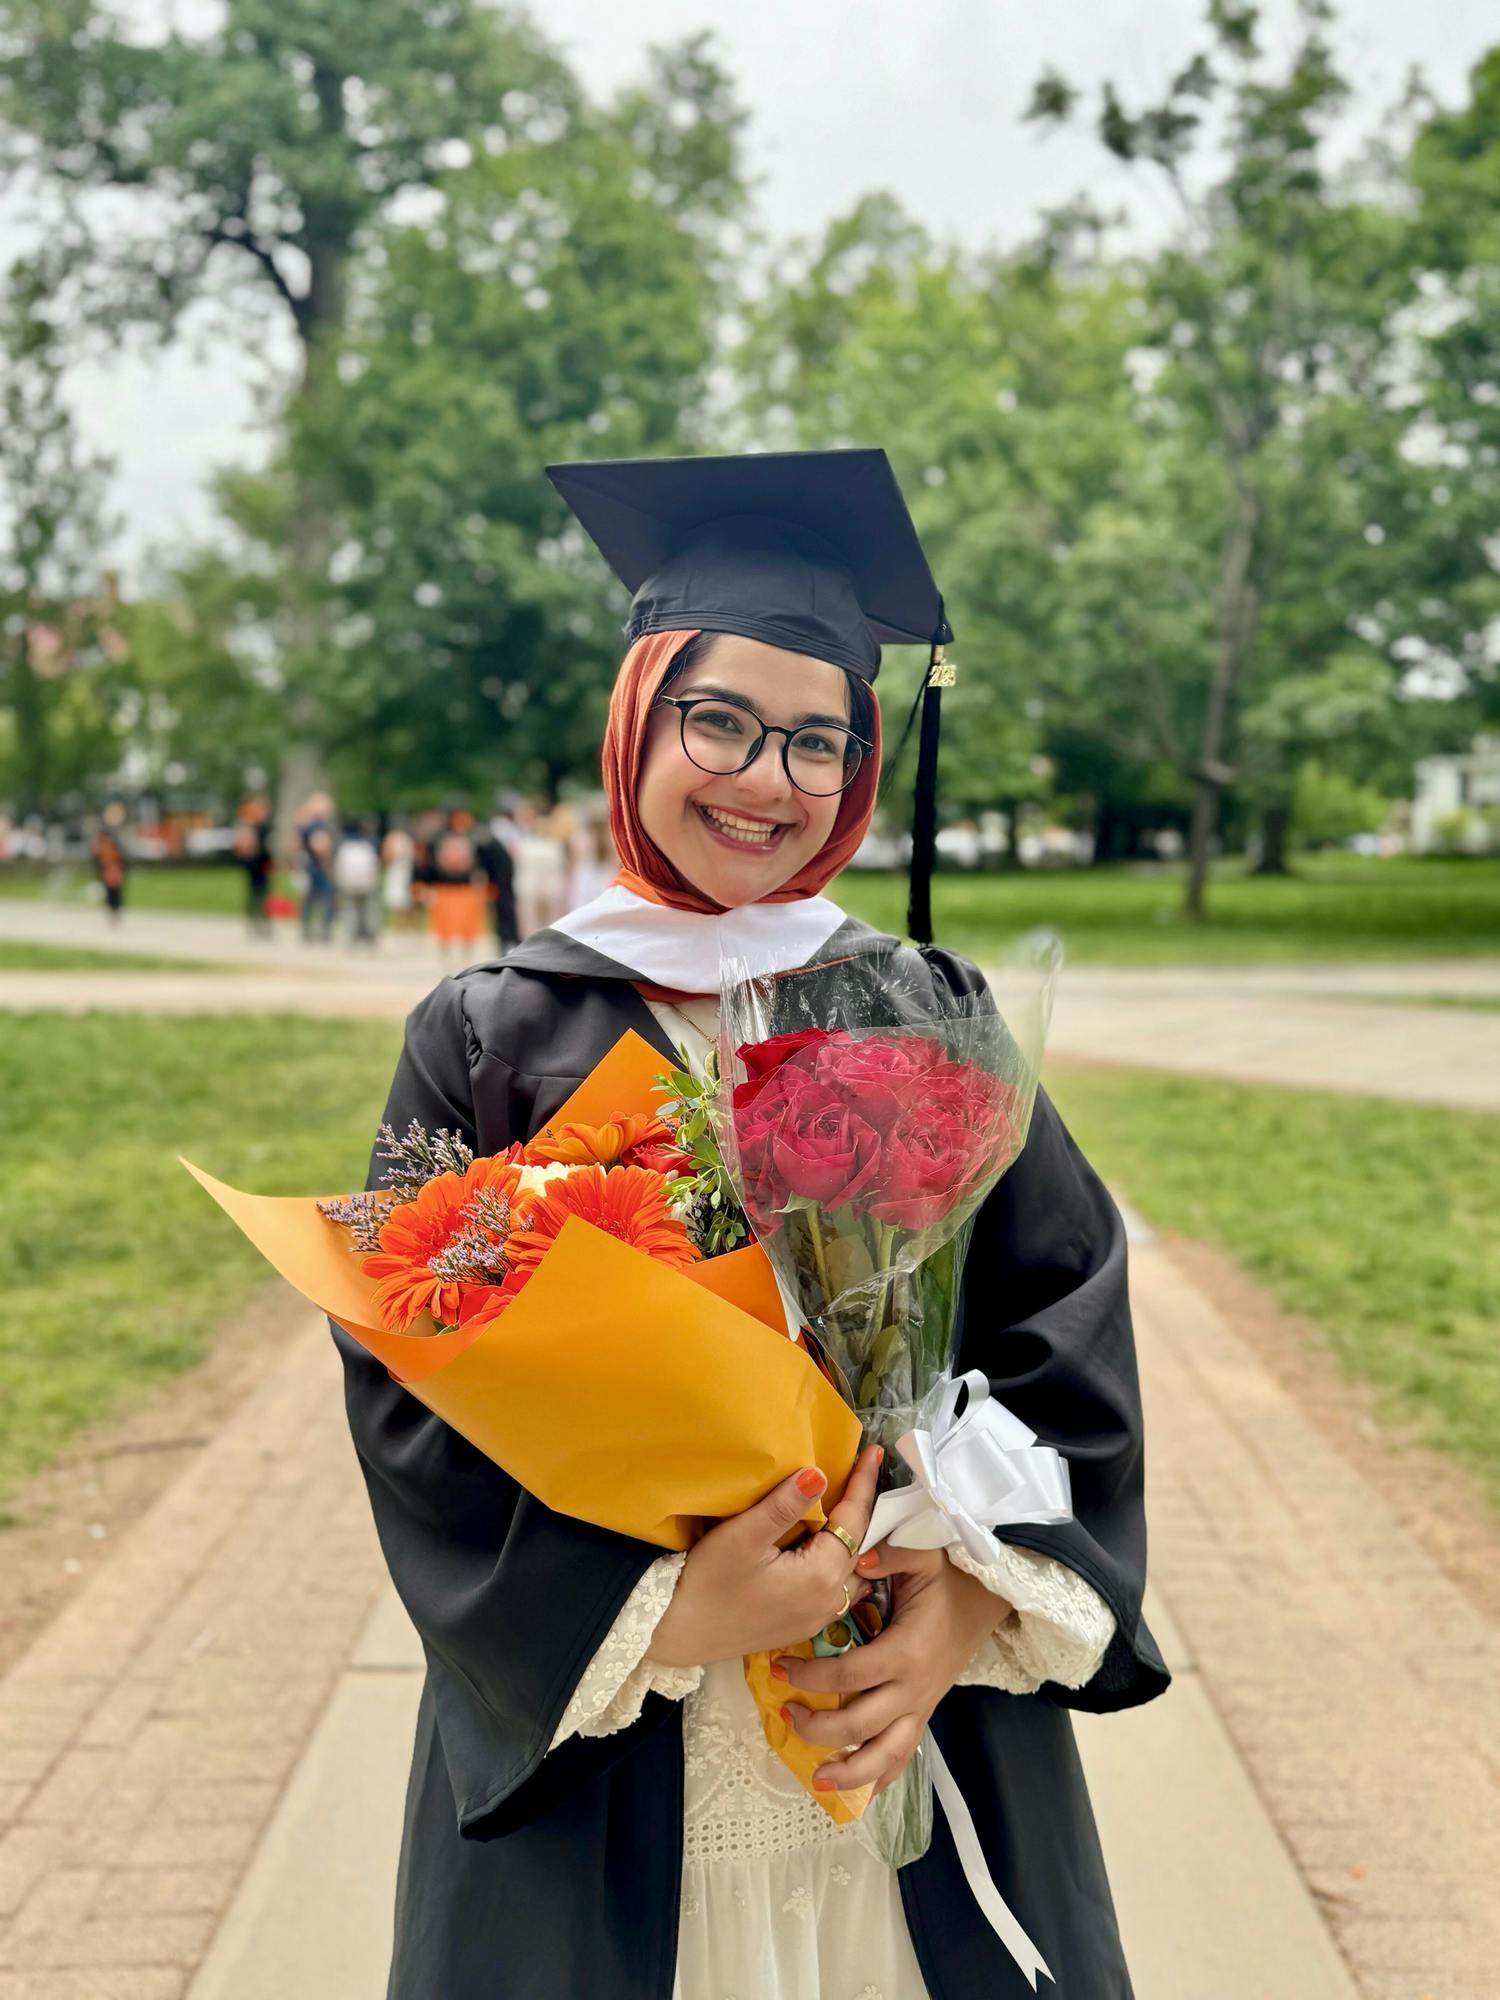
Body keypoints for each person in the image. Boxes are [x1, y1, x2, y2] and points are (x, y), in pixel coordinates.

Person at [333, 450, 1166, 1999]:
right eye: (718, 719)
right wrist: (663, 1611)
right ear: (640, 714)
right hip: (622, 1743)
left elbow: (1070, 1332)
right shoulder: (493, 1031)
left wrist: (969, 1597)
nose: (766, 779)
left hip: (900, 1714)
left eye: (817, 741)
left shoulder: (926, 1009)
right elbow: (409, 1394)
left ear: (861, 768)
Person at [420, 809, 490, 966]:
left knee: (468, 925)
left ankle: (467, 957)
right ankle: (446, 958)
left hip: (467, 887)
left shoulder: (474, 836)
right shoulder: (438, 837)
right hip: (443, 886)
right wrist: (425, 885)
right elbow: (428, 864)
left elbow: (482, 862)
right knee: (443, 926)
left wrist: (484, 883)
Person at [296, 793, 337, 943]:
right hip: (318, 867)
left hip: (309, 866)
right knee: (325, 898)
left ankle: (307, 929)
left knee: (309, 899)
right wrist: (328, 862)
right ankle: (323, 930)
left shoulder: (305, 825)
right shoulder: (318, 825)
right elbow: (320, 846)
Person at [334, 817, 382, 946]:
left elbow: (340, 865)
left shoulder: (345, 845)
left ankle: (353, 933)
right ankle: (369, 934)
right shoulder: (370, 843)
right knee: (368, 909)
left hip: (350, 881)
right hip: (367, 881)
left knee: (352, 909)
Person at [231, 795, 274, 936]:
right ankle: (257, 923)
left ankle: (260, 923)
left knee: (260, 893)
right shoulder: (253, 823)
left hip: (260, 862)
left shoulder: (254, 823)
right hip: (256, 862)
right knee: (257, 892)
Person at [92, 804, 128, 923]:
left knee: (117, 889)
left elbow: (121, 850)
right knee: (108, 888)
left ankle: (116, 910)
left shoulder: (118, 831)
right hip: (106, 863)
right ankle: (111, 910)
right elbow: (99, 849)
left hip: (115, 864)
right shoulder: (104, 830)